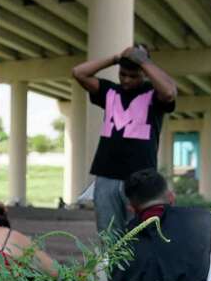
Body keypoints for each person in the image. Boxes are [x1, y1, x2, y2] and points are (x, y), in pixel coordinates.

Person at [72, 45, 177, 236]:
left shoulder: (154, 95)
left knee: (140, 233)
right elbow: (79, 72)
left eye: (133, 75)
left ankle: (137, 267)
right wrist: (115, 58)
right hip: (106, 174)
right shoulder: (109, 91)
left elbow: (169, 92)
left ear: (143, 73)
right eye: (123, 74)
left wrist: (144, 61)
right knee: (108, 233)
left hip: (141, 176)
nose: (126, 80)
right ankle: (112, 267)